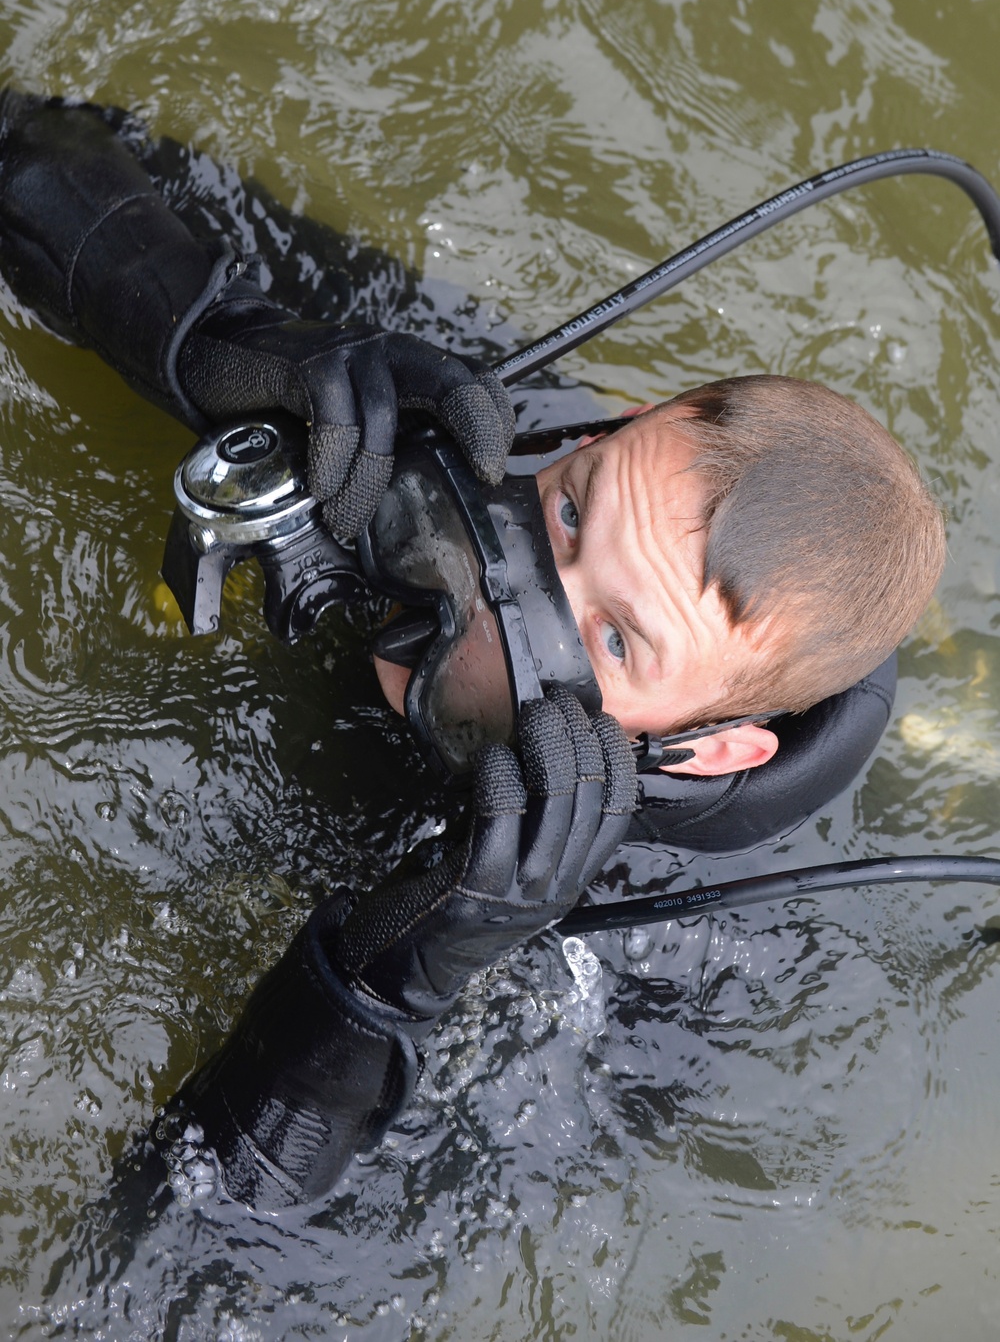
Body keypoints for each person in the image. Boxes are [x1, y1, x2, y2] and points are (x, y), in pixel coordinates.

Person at [0, 90, 945, 1208]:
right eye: (571, 515)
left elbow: (193, 1263)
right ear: (602, 434)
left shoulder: (660, 984)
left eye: (611, 639)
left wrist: (386, 986)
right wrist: (218, 341)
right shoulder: (464, 406)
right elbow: (29, 147)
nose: (505, 599)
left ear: (713, 747)